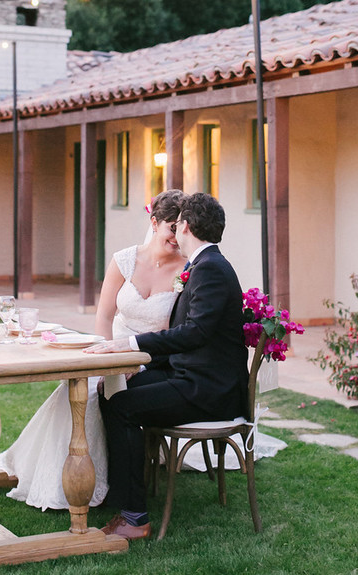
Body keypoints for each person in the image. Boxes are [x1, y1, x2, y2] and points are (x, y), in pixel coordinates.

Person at [0, 189, 186, 510]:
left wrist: (137, 361)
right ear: (154, 223)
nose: (177, 237)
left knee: (106, 398)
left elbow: (175, 331)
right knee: (81, 390)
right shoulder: (124, 260)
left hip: (153, 358)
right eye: (171, 228)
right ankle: (59, 478)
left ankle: (104, 483)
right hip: (111, 348)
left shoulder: (187, 270)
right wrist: (107, 354)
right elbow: (104, 316)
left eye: (181, 229)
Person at [84, 192, 248, 540]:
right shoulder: (204, 266)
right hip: (191, 375)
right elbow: (186, 336)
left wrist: (129, 345)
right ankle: (121, 496)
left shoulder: (211, 271)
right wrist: (138, 366)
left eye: (179, 225)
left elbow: (193, 334)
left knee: (122, 406)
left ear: (186, 226)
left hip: (207, 390)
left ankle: (135, 517)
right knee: (110, 391)